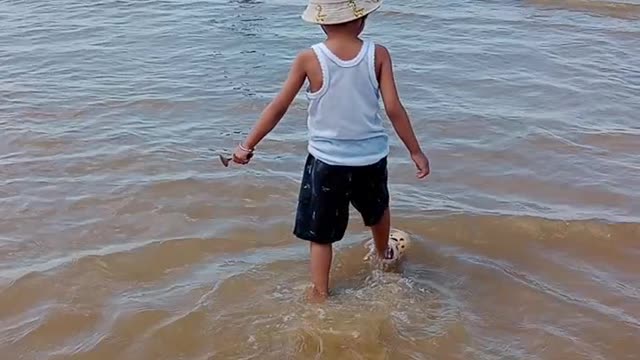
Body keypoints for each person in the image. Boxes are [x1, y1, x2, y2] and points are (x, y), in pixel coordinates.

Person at [231, 0, 430, 300]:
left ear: (321, 22)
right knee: (378, 210)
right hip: (370, 158)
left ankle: (320, 292)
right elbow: (393, 108)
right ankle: (384, 256)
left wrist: (248, 144)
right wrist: (415, 151)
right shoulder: (378, 54)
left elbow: (279, 106)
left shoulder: (309, 59)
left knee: (321, 233)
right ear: (361, 20)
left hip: (327, 162)